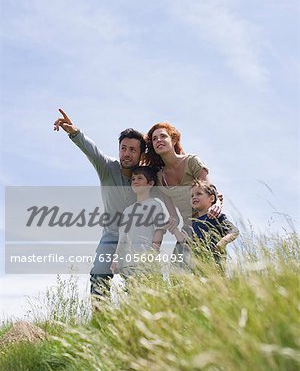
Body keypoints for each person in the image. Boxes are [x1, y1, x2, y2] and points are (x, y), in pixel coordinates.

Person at [53, 109, 146, 298]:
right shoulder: (107, 168)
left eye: (132, 150)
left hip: (136, 239)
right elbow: (92, 151)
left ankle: (138, 319)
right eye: (123, 148)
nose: (126, 153)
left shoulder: (147, 177)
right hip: (110, 236)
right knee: (98, 275)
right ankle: (100, 322)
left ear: (141, 154)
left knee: (137, 281)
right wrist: (75, 133)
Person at [145, 122, 222, 229]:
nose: (158, 140)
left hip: (208, 220)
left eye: (163, 136)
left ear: (174, 140)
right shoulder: (159, 178)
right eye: (154, 139)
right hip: (189, 227)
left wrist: (217, 204)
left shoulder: (191, 162)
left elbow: (210, 191)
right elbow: (174, 216)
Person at [111, 166, 166, 277]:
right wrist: (116, 259)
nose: (135, 181)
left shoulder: (154, 205)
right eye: (133, 179)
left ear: (150, 184)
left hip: (147, 262)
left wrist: (153, 253)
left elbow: (159, 230)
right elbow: (122, 237)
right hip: (128, 264)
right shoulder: (127, 210)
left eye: (140, 178)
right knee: (132, 293)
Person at [171, 180, 239, 268]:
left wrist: (221, 244)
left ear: (211, 198)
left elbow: (234, 231)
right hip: (194, 269)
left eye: (199, 194)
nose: (194, 197)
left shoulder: (216, 218)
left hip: (214, 266)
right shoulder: (191, 225)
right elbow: (182, 245)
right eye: (192, 196)